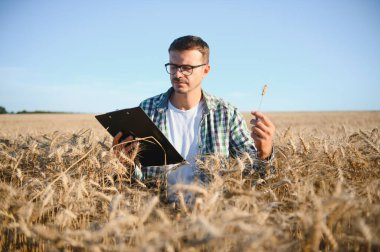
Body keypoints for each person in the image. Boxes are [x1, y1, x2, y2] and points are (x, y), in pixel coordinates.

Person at [113, 35, 275, 201]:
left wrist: (265, 153)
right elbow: (135, 181)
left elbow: (255, 174)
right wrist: (126, 164)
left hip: (210, 216)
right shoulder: (147, 109)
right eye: (173, 66)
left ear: (205, 70)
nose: (178, 74)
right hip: (156, 215)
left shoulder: (226, 114)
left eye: (187, 68)